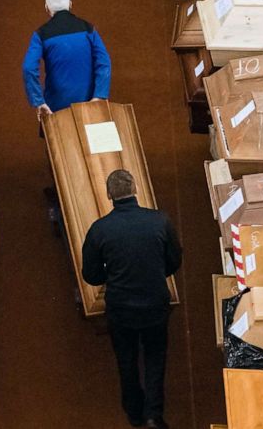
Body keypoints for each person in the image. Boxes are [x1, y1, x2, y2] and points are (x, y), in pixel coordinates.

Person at [82, 170, 182, 429]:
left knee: (126, 359)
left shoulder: (99, 229)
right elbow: (174, 261)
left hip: (121, 309)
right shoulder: (160, 221)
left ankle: (133, 411)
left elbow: (91, 275)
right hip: (154, 305)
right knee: (155, 356)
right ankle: (153, 415)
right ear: (135, 189)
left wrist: (112, 273)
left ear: (109, 196)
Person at [22, 0, 112, 121]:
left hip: (56, 104)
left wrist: (39, 101)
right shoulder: (88, 29)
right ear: (70, 4)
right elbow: (104, 62)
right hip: (88, 100)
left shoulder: (41, 34)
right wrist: (99, 95)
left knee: (58, 139)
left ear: (46, 8)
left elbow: (28, 68)